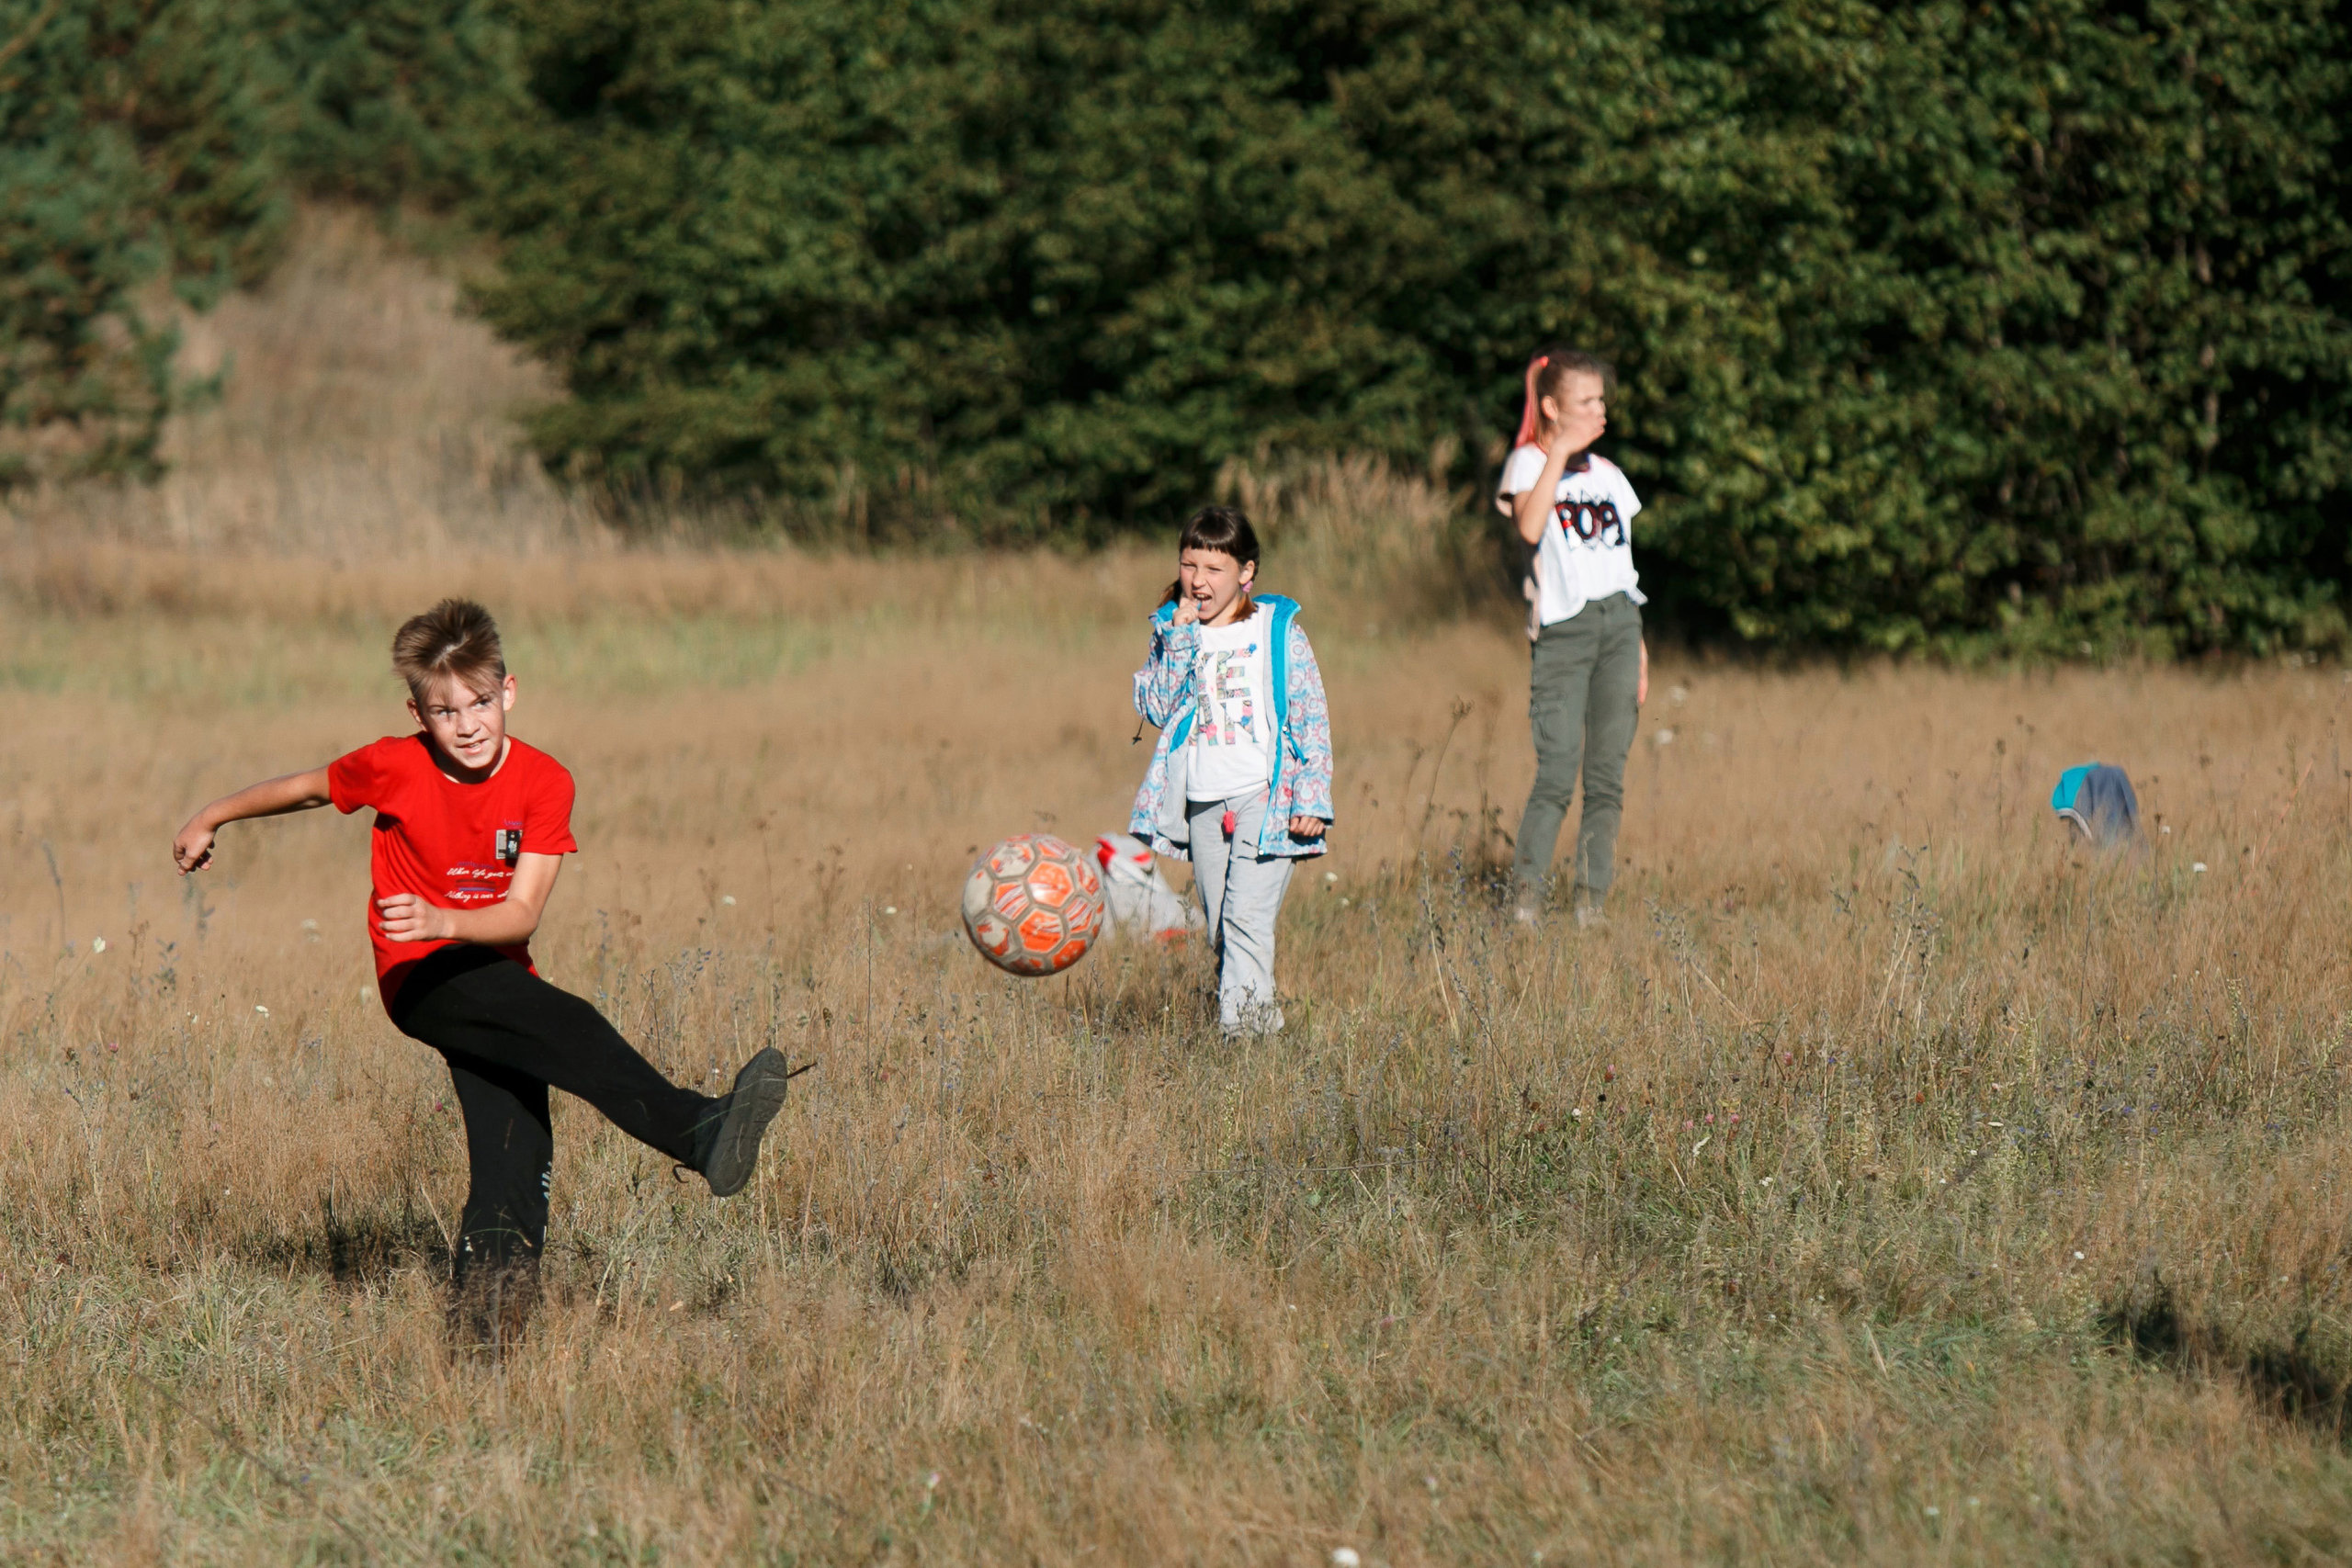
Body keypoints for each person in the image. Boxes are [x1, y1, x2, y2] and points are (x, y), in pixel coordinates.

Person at [170, 599, 793, 1349]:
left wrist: (448, 918)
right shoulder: (394, 764)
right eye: (444, 711)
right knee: (572, 1024)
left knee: (516, 1143)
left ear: (510, 692)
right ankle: (699, 1130)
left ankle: (482, 1335)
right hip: (422, 977)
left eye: (480, 703)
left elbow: (522, 914)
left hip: (493, 970)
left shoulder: (543, 782)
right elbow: (305, 787)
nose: (466, 724)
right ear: (417, 712)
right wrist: (213, 815)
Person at [1128, 506, 1334, 1036]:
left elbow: (1309, 714)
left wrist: (1310, 798)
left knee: (1246, 921)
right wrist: (1176, 638)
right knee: (1224, 929)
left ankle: (1243, 1044)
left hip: (1266, 800)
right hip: (1202, 802)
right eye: (1189, 565)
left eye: (1213, 569)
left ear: (1246, 572)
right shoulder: (1172, 631)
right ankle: (1262, 1029)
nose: (1198, 581)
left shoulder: (1275, 631)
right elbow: (1155, 707)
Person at [1495, 346, 1649, 926]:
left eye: (1602, 399)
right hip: (1564, 633)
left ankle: (1591, 907)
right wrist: (1558, 448)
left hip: (1618, 625)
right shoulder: (1528, 466)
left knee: (1607, 776)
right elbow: (1529, 527)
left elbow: (1623, 570)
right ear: (1554, 407)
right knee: (1558, 770)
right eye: (1586, 401)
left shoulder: (1610, 476)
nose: (1599, 410)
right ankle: (1526, 904)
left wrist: (1638, 649)